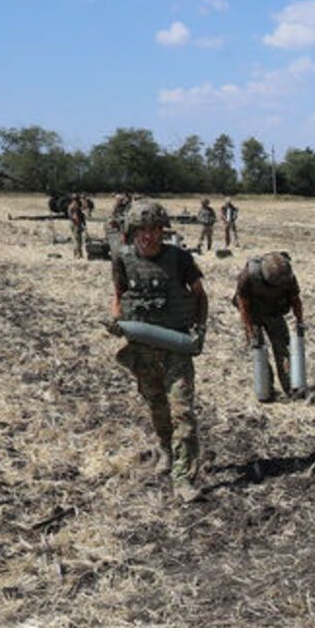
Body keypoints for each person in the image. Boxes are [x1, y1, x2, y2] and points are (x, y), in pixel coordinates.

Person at [110, 201, 209, 503]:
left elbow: (200, 295)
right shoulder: (122, 259)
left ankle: (184, 478)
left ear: (162, 230)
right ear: (132, 231)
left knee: (183, 414)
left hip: (176, 347)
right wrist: (117, 320)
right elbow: (118, 294)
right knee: (157, 407)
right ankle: (165, 448)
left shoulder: (180, 259)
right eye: (142, 230)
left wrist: (200, 330)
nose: (149, 236)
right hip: (142, 349)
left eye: (154, 229)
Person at [233, 251, 305, 400]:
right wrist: (250, 330)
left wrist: (299, 322)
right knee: (259, 350)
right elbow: (243, 306)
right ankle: (266, 389)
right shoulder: (248, 277)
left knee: (282, 349)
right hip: (253, 313)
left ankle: (291, 386)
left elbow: (295, 300)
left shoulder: (287, 277)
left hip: (274, 312)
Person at [67, 193, 87, 259]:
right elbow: (76, 217)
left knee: (75, 239)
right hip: (76, 224)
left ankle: (76, 254)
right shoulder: (75, 206)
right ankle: (78, 255)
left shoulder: (70, 206)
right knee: (78, 239)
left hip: (72, 223)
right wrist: (80, 224)